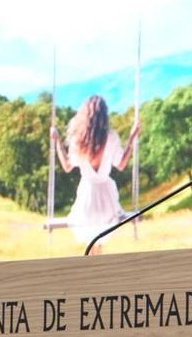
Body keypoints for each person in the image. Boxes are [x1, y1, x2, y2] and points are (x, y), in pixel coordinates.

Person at [51, 95, 141, 253]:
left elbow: (66, 166)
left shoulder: (79, 139)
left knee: (92, 245)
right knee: (98, 244)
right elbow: (121, 165)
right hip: (107, 199)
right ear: (104, 115)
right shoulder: (111, 137)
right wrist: (132, 137)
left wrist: (57, 140)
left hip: (87, 198)